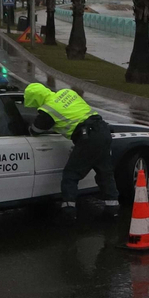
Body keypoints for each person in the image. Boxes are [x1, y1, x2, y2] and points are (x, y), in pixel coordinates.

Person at [22, 82, 119, 213]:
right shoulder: (67, 92)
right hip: (103, 130)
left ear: (35, 99)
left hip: (87, 137)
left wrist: (28, 126)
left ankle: (68, 212)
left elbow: (36, 130)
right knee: (105, 172)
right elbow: (73, 113)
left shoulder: (48, 109)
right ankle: (113, 208)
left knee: (71, 175)